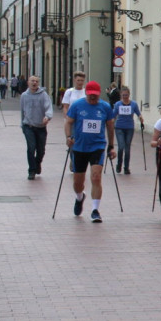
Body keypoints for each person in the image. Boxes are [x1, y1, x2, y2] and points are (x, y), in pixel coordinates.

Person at [64, 81, 116, 223]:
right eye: (91, 95)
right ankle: (80, 197)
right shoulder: (77, 105)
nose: (93, 98)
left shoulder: (105, 107)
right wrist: (68, 137)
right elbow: (68, 122)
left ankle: (95, 210)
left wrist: (111, 146)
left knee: (96, 177)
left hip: (97, 147)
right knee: (78, 182)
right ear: (86, 93)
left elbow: (110, 127)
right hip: (79, 147)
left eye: (96, 96)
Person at [20, 76, 53, 180]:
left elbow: (48, 107)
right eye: (32, 81)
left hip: (40, 127)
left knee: (41, 150)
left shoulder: (43, 95)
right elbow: (22, 110)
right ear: (28, 82)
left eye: (36, 81)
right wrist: (22, 124)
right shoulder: (24, 96)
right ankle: (32, 170)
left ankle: (37, 163)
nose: (34, 83)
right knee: (31, 147)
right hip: (28, 126)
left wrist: (47, 117)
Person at [113, 86, 144, 174]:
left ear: (129, 95)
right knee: (121, 146)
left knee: (127, 148)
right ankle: (119, 164)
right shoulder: (118, 104)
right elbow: (113, 115)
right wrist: (110, 121)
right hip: (119, 127)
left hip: (129, 128)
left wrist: (141, 118)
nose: (125, 97)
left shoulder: (133, 104)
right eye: (123, 95)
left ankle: (126, 167)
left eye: (126, 95)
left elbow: (138, 113)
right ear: (121, 95)